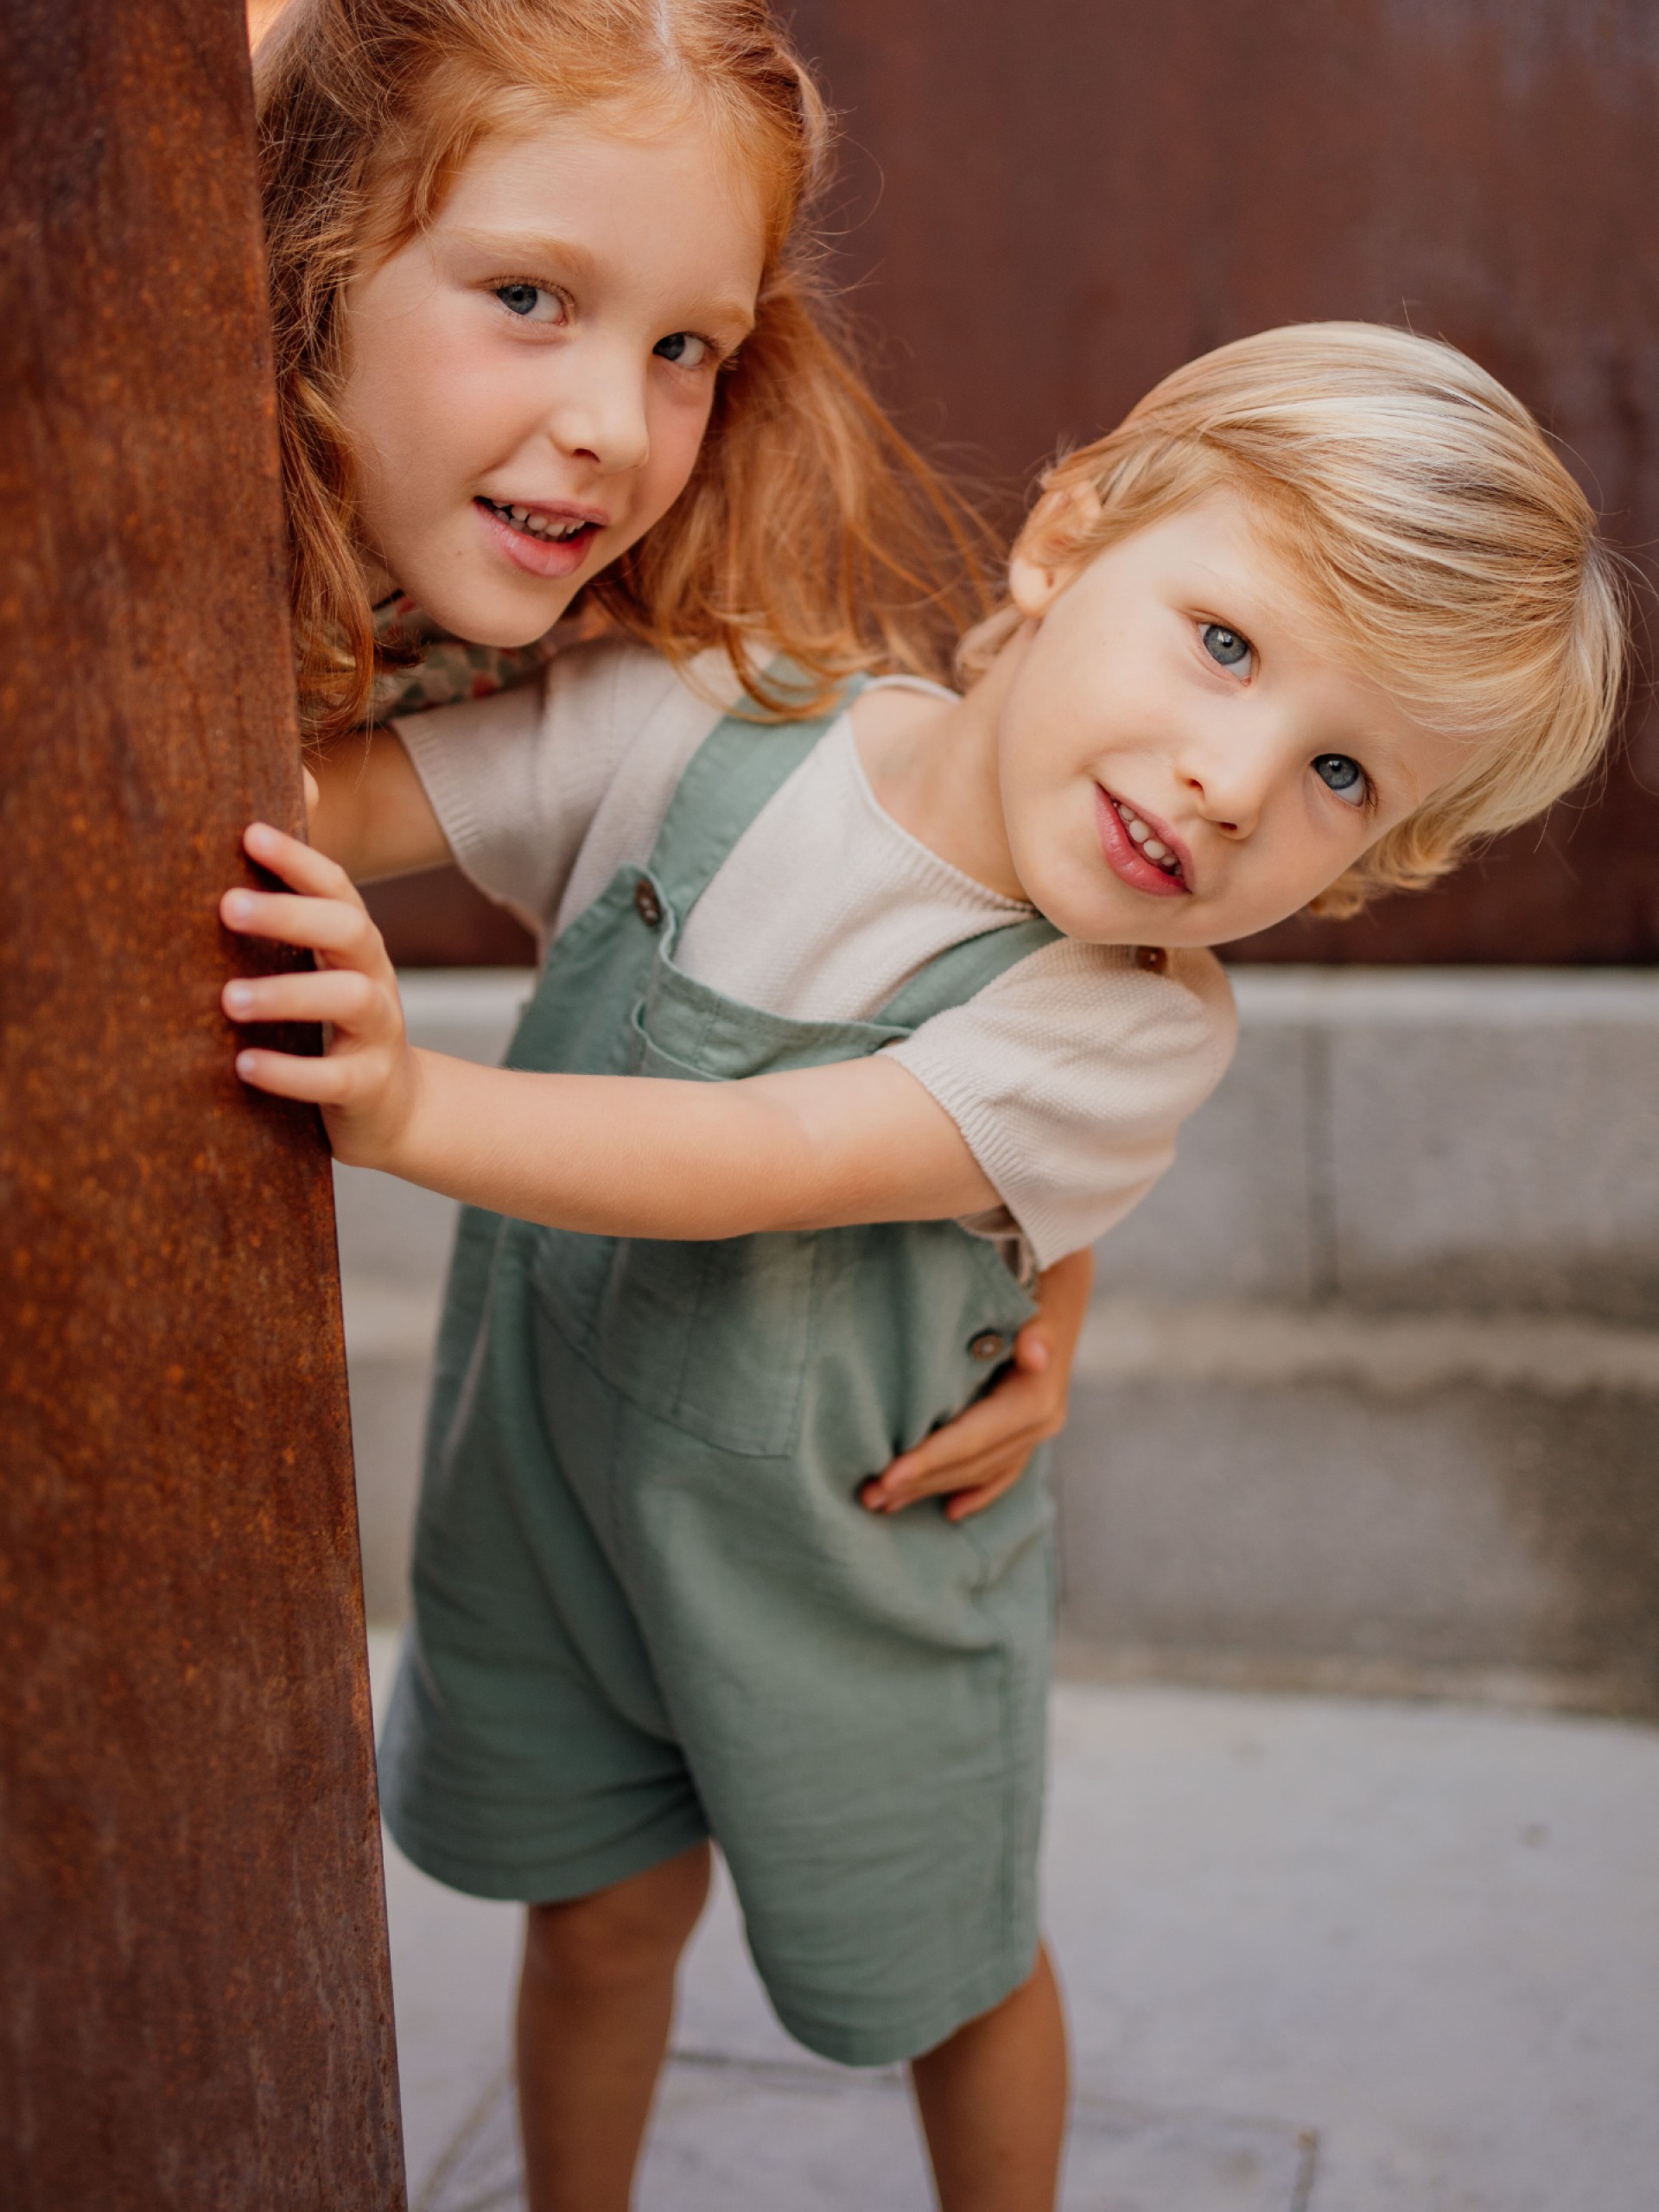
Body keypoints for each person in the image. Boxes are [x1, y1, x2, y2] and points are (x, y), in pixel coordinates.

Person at [222, 318, 1627, 2209]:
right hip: (559, 1499)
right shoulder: (705, 720)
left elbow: (774, 1152)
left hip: (850, 1568)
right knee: (602, 1918)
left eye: (1343, 775)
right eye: (1226, 643)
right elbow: (309, 802)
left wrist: (405, 1110)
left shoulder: (1131, 1024)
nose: (1230, 780)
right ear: (1070, 535)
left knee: (945, 1974)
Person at [256, 0, 1097, 1607]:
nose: (613, 430)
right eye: (527, 298)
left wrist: (1047, 1300)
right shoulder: (142, 512)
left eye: (682, 350)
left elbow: (963, 947)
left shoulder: (613, 603)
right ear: (301, 250)